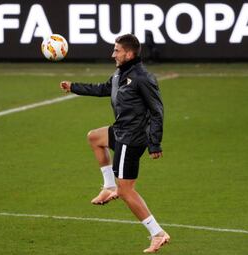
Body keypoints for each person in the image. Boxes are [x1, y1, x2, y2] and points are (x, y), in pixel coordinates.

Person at [59, 34, 169, 253]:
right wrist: (74, 87)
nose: (113, 54)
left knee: (127, 191)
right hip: (121, 131)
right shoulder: (121, 74)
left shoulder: (142, 77)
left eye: (116, 50)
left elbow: (157, 111)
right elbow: (102, 89)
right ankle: (108, 186)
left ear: (128, 53)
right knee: (94, 137)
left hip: (132, 138)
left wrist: (154, 143)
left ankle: (157, 233)